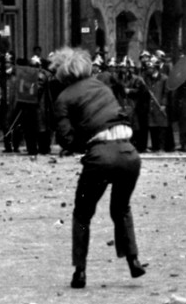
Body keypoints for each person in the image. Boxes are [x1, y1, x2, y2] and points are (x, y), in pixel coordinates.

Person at [50, 46, 146, 290]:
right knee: (121, 208)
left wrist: (80, 144)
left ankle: (80, 271)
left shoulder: (63, 98)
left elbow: (66, 139)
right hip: (129, 153)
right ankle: (133, 260)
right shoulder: (102, 87)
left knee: (83, 213)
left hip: (99, 157)